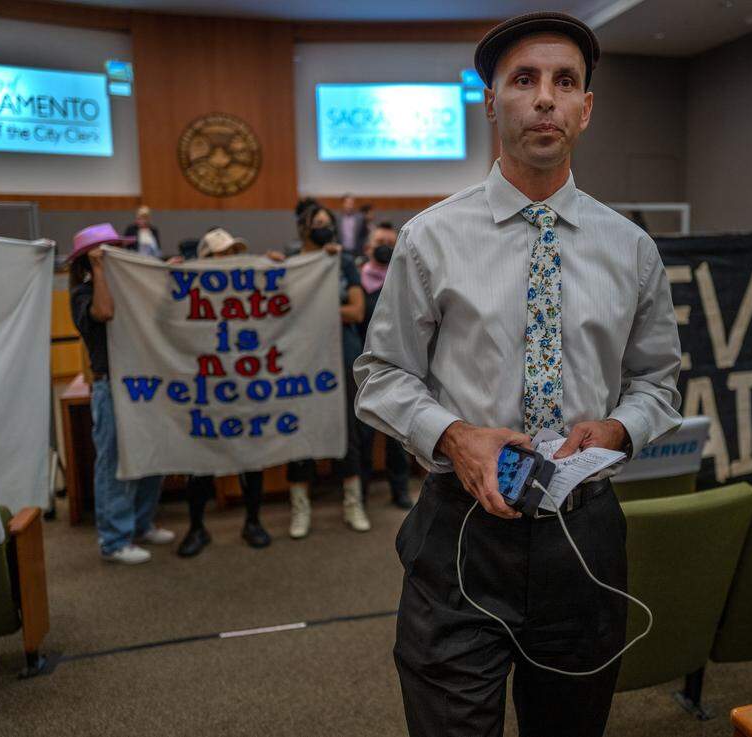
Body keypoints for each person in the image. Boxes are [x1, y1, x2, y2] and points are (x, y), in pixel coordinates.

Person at [354, 12, 683, 736]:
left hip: (582, 537)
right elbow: (380, 375)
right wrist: (454, 437)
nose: (545, 98)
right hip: (460, 533)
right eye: (524, 80)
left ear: (585, 109)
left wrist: (621, 426)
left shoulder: (630, 249)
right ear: (491, 100)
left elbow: (660, 380)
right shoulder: (428, 239)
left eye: (565, 82)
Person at [67, 223, 174, 564]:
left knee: (151, 455)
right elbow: (105, 312)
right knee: (115, 461)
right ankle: (114, 540)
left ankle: (141, 524)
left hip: (144, 384)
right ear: (87, 260)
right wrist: (99, 269)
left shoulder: (132, 289)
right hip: (111, 385)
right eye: (105, 251)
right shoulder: (82, 294)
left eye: (116, 248)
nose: (115, 255)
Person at [176, 228, 276, 557]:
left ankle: (253, 521)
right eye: (223, 254)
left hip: (245, 383)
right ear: (205, 260)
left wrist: (282, 270)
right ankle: (196, 527)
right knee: (199, 461)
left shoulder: (250, 288)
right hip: (204, 387)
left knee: (252, 457)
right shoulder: (187, 293)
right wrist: (167, 277)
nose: (231, 260)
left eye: (234, 252)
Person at [285, 205, 372, 538]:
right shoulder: (291, 263)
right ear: (303, 228)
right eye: (315, 224)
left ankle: (353, 504)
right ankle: (300, 509)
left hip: (340, 352)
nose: (322, 228)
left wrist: (315, 310)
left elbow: (355, 310)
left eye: (327, 223)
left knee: (345, 427)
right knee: (299, 426)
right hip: (301, 357)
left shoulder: (343, 261)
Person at [358, 223, 413, 509]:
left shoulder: (403, 280)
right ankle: (361, 494)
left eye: (390, 242)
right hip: (363, 372)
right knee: (363, 438)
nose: (385, 246)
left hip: (397, 369)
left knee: (396, 439)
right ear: (368, 247)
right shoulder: (357, 281)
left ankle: (400, 489)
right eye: (380, 241)